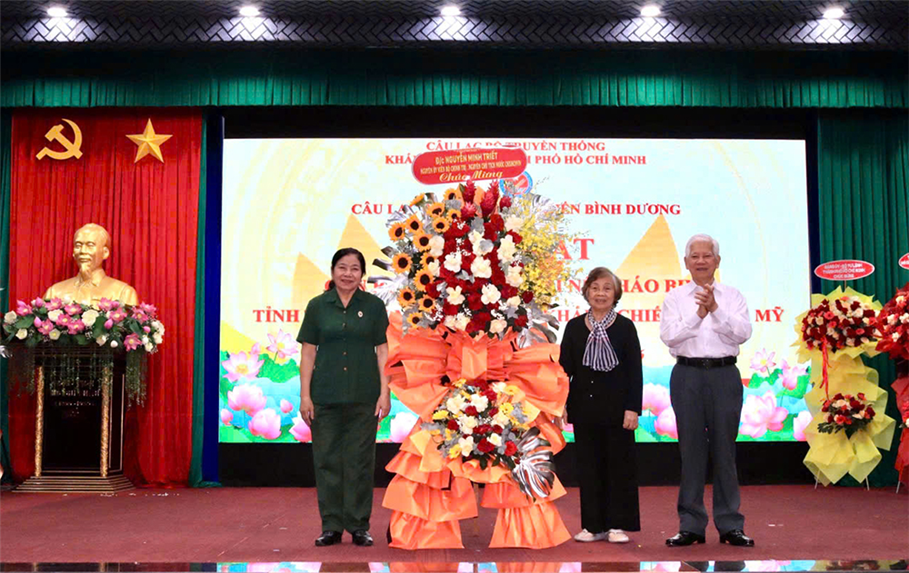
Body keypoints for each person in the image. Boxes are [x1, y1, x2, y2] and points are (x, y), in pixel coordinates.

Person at [659, 234, 754, 547]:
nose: (701, 261)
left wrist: (715, 309)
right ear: (686, 263)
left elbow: (742, 333)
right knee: (691, 451)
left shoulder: (733, 296)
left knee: (725, 451)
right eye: (695, 256)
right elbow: (669, 336)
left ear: (717, 261)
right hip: (687, 375)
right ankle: (691, 525)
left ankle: (730, 525)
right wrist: (698, 314)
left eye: (707, 255)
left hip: (724, 375)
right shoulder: (675, 298)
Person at [297, 247, 390, 547]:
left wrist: (385, 393)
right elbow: (308, 353)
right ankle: (331, 526)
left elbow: (383, 352)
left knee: (360, 463)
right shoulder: (317, 306)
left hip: (365, 396)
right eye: (342, 267)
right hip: (324, 396)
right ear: (332, 271)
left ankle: (359, 526)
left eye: (354, 269)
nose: (348, 274)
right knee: (327, 462)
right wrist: (305, 396)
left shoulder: (374, 306)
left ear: (362, 274)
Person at [559, 267, 642, 544]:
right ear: (586, 292)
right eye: (595, 288)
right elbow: (564, 370)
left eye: (607, 288)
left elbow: (634, 371)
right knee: (588, 467)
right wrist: (562, 403)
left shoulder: (625, 327)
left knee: (619, 466)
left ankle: (617, 525)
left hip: (618, 408)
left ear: (616, 294)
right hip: (584, 407)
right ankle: (593, 526)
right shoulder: (574, 327)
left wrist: (632, 408)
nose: (600, 293)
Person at [44, 223, 138, 306]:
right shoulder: (54, 292)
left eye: (90, 245)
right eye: (78, 245)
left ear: (105, 252)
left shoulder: (123, 293)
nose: (83, 251)